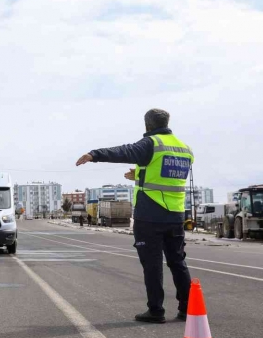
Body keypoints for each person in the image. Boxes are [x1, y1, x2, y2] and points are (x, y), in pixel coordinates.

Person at [75, 109, 193, 324]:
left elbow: (125, 151)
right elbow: (167, 176)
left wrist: (95, 155)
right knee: (178, 262)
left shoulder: (151, 143)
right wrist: (138, 174)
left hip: (150, 214)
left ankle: (156, 310)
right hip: (176, 214)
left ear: (147, 124)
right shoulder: (185, 149)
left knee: (152, 263)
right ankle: (187, 308)